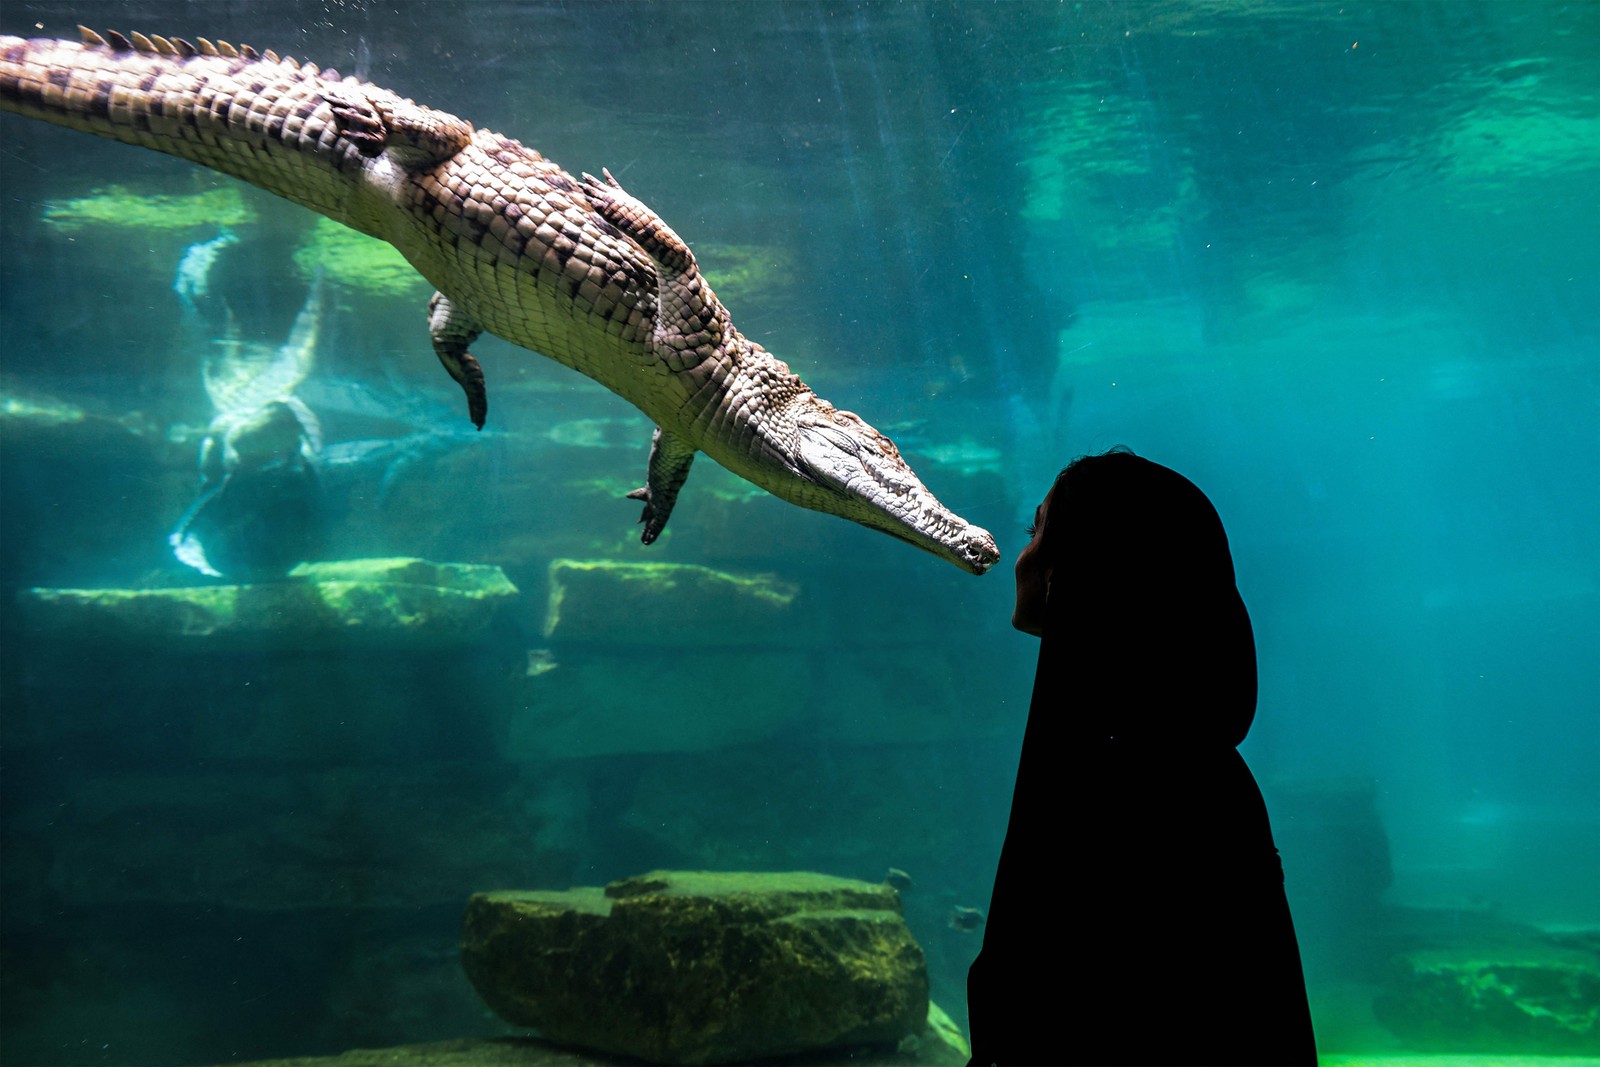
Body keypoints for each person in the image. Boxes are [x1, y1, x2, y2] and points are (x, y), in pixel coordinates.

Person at [967, 447, 1317, 1066]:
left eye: (1039, 531)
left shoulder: (1106, 777)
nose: (1022, 556)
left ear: (1077, 569)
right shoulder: (1205, 771)